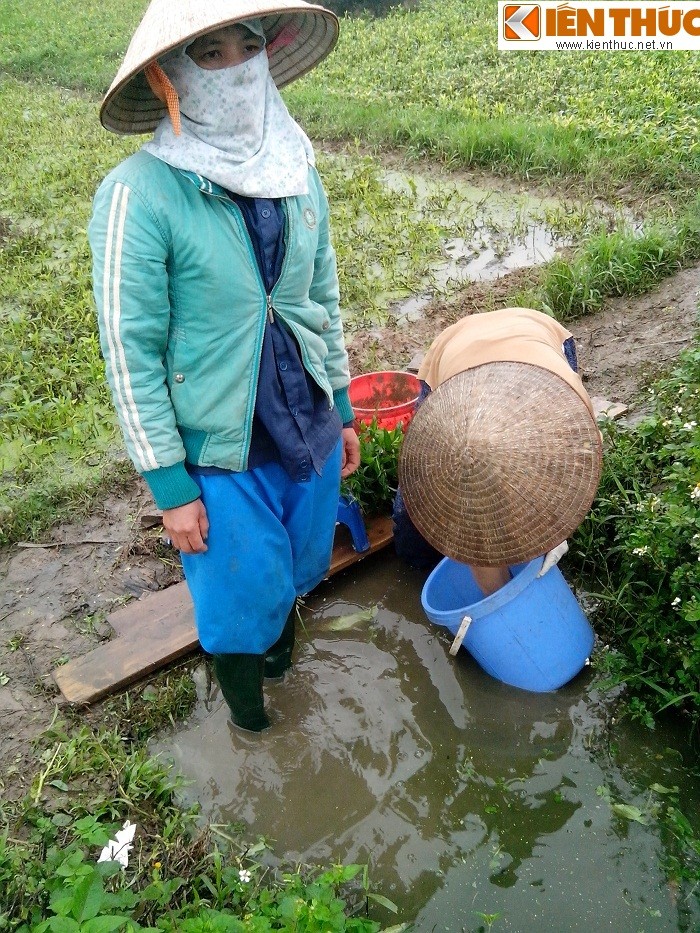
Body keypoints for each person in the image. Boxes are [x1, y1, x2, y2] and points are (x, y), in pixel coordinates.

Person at [88, 0, 360, 732]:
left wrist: (338, 405)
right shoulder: (138, 196)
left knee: (298, 571)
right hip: (220, 449)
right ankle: (254, 725)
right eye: (211, 53)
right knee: (238, 599)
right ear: (170, 76)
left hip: (303, 422)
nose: (237, 67)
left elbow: (321, 293)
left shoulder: (296, 164)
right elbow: (130, 350)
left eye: (249, 46)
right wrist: (171, 488)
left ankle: (282, 669)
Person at [394, 307, 600, 598]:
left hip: (537, 334)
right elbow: (480, 555)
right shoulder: (446, 432)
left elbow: (582, 466)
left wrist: (558, 533)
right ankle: (413, 557)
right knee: (414, 497)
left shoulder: (568, 408)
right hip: (455, 352)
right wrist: (502, 599)